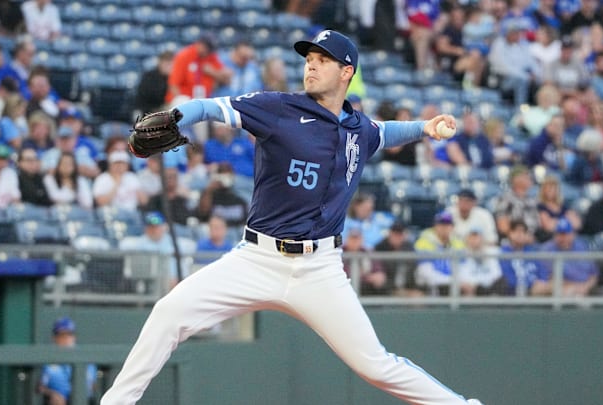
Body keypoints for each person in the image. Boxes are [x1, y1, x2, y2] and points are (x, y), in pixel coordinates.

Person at [101, 30, 482, 405]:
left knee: (376, 365)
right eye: (309, 60)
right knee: (169, 313)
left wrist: (424, 128)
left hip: (320, 268)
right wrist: (179, 114)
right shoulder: (279, 108)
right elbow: (212, 107)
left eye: (322, 60)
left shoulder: (356, 127)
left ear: (346, 72)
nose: (311, 67)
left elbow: (383, 132)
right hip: (257, 258)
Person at [38, 317, 97, 405]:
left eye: (69, 335)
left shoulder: (86, 359)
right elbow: (40, 388)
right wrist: (52, 394)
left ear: (74, 337)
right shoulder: (48, 360)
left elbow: (93, 387)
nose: (66, 339)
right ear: (55, 338)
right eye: (62, 335)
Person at [534, 218, 599, 296]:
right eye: (560, 234)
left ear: (572, 234)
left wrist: (586, 286)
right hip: (563, 289)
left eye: (566, 234)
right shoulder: (547, 250)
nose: (563, 238)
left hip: (587, 288)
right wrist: (576, 287)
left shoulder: (582, 246)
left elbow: (594, 274)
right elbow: (549, 278)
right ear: (555, 235)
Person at [165, 32, 232, 104]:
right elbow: (173, 85)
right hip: (184, 100)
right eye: (207, 47)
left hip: (203, 101)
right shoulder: (184, 56)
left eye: (210, 49)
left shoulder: (210, 56)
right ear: (200, 44)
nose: (208, 51)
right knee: (182, 101)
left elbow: (227, 79)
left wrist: (213, 72)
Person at [499, 220, 544, 296]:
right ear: (510, 233)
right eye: (516, 231)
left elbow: (542, 273)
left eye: (523, 231)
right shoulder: (503, 252)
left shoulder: (533, 252)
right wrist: (529, 285)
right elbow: (507, 278)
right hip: (514, 291)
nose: (519, 234)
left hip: (537, 290)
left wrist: (541, 282)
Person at [494, 165, 540, 239]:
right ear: (515, 179)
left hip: (533, 239)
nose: (529, 180)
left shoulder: (532, 200)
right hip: (513, 241)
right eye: (526, 177)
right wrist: (517, 237)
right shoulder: (505, 198)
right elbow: (502, 225)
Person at [457, 228, 505, 296]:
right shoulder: (461, 255)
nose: (474, 240)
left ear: (482, 239)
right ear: (467, 240)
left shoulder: (493, 252)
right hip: (472, 290)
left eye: (477, 237)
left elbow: (497, 275)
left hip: (490, 288)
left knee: (502, 282)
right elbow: (460, 278)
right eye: (471, 237)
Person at [535, 174, 581, 242]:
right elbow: (548, 227)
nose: (550, 191)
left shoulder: (563, 206)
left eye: (553, 188)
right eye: (548, 188)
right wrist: (566, 220)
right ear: (543, 190)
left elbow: (577, 224)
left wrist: (555, 221)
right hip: (549, 239)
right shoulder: (540, 206)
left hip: (568, 237)